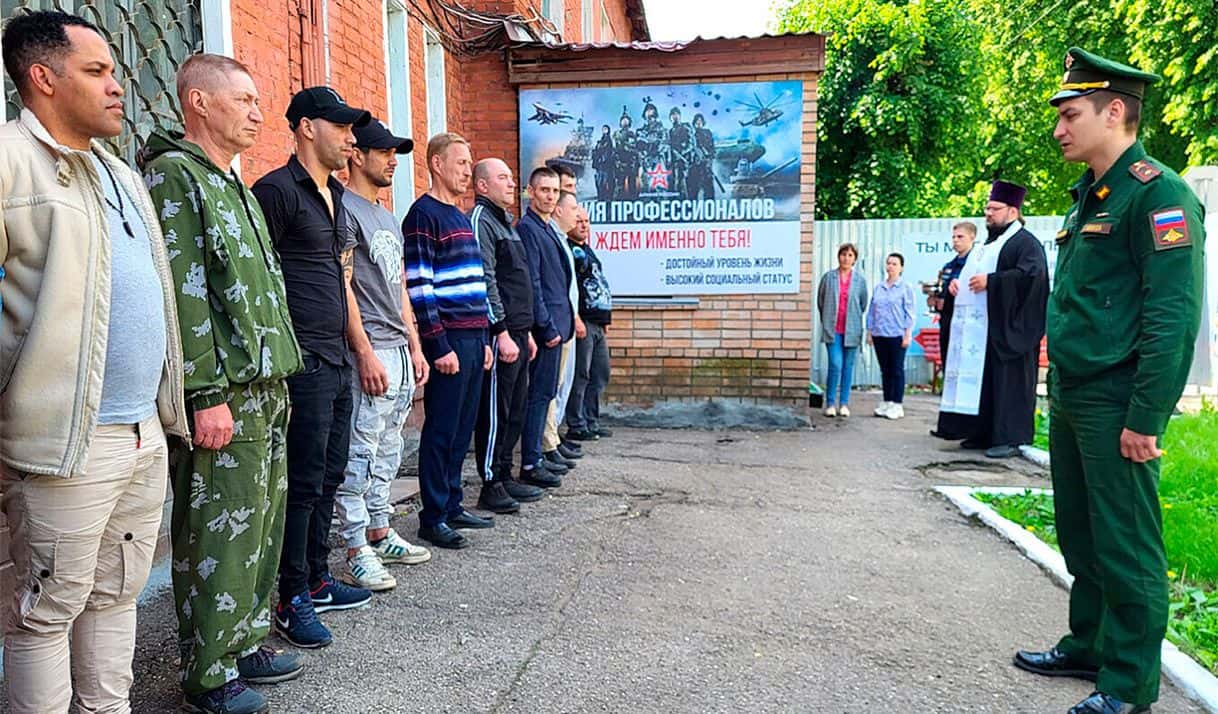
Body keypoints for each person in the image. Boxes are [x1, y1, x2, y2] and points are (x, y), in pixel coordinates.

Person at [0, 11, 189, 712]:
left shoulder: (117, 170)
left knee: (116, 596)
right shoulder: (10, 163)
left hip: (141, 431)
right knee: (45, 613)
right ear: (42, 79)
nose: (118, 88)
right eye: (96, 71)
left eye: (114, 70)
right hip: (63, 444)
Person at [1013, 48, 1206, 714]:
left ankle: (1127, 684)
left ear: (1114, 111)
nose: (1059, 129)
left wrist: (1147, 416)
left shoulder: (1159, 194)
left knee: (1125, 543)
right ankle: (1089, 644)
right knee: (1082, 533)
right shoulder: (1094, 195)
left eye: (1070, 115)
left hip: (1117, 400)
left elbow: (1172, 316)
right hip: (1073, 391)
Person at [141, 53, 304, 713]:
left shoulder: (230, 182)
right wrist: (203, 393)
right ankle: (208, 671)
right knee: (218, 531)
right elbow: (184, 299)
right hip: (225, 392)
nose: (259, 113)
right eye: (243, 99)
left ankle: (245, 640)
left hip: (267, 385)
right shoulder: (177, 177)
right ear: (199, 103)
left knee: (262, 525)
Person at [252, 86, 374, 649]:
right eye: (341, 126)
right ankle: (289, 595)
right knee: (300, 483)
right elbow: (258, 282)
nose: (352, 138)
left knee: (329, 473)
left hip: (337, 356)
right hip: (300, 361)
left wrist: (360, 347)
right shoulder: (275, 192)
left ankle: (318, 577)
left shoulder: (337, 197)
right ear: (306, 127)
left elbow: (343, 280)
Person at [333, 118, 433, 592]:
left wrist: (415, 344)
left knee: (389, 449)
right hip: (369, 351)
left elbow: (400, 289)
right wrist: (365, 350)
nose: (393, 161)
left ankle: (380, 528)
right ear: (357, 155)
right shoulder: (344, 210)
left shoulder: (386, 215)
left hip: (397, 347)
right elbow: (345, 286)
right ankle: (355, 547)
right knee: (360, 450)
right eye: (384, 152)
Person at [402, 132, 494, 550]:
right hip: (450, 337)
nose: (467, 172)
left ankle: (454, 503)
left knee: (462, 427)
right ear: (436, 164)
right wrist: (438, 345)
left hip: (475, 335)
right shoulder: (423, 215)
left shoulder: (460, 216)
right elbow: (419, 285)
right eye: (460, 163)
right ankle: (433, 515)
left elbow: (475, 284)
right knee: (441, 428)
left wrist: (487, 337)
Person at [471, 158, 546, 514]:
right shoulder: (481, 221)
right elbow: (486, 280)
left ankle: (505, 471)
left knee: (516, 409)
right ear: (482, 186)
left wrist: (526, 332)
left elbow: (519, 283)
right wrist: (499, 331)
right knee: (496, 411)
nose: (510, 183)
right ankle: (490, 482)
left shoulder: (507, 223)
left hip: (519, 332)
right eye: (502, 177)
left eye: (511, 177)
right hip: (500, 334)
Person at [957, 181, 1049, 458]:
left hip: (1014, 330)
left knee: (1010, 384)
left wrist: (992, 282)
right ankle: (984, 432)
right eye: (986, 208)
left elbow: (1031, 278)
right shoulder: (992, 243)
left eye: (994, 209)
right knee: (987, 382)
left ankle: (1010, 438)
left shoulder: (1025, 243)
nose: (988, 214)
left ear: (1012, 211)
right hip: (988, 327)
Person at [518, 168, 574, 487]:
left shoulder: (548, 227)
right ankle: (530, 461)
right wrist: (546, 326)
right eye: (544, 190)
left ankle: (538, 456)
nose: (550, 196)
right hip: (547, 329)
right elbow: (533, 284)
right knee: (538, 396)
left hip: (560, 326)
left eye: (554, 191)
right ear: (530, 191)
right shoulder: (528, 229)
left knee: (547, 393)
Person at [541, 189, 586, 469]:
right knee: (549, 388)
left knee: (560, 386)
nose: (578, 214)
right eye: (573, 208)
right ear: (558, 210)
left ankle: (552, 439)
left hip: (565, 324)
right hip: (555, 326)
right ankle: (546, 445)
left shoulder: (562, 241)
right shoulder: (549, 237)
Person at [565, 207, 614, 440]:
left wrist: (605, 319)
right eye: (579, 221)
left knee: (600, 373)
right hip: (582, 322)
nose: (584, 225)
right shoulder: (570, 251)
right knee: (581, 375)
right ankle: (577, 424)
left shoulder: (587, 250)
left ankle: (592, 421)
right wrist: (576, 319)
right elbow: (569, 289)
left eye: (587, 221)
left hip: (597, 324)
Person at [931, 222, 978, 441]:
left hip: (970, 325)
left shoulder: (976, 262)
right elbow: (942, 294)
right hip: (949, 321)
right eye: (954, 237)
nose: (955, 241)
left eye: (960, 237)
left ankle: (965, 426)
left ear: (972, 238)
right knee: (949, 369)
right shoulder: (949, 266)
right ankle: (947, 423)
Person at [816, 243, 869, 418]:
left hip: (852, 330)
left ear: (854, 259)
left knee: (847, 367)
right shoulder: (828, 278)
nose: (846, 258)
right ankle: (830, 403)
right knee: (835, 364)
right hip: (833, 330)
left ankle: (844, 403)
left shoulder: (860, 281)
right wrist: (827, 319)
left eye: (850, 255)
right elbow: (821, 302)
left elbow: (862, 304)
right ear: (838, 256)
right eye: (843, 254)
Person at [866, 253, 916, 419]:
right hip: (880, 333)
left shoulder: (905, 288)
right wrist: (870, 331)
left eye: (894, 264)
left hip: (897, 334)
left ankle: (897, 403)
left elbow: (909, 312)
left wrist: (907, 334)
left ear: (901, 267)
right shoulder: (879, 288)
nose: (890, 267)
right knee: (885, 369)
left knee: (896, 369)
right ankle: (887, 401)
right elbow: (872, 311)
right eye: (888, 263)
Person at [688, 113, 716, 200]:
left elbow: (712, 149)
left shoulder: (708, 133)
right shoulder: (691, 135)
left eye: (700, 121)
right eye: (697, 121)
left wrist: (709, 160)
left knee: (709, 190)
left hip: (706, 166)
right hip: (695, 167)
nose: (698, 123)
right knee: (693, 190)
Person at [667, 107, 693, 197]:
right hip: (674, 162)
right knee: (673, 184)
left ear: (680, 116)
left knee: (684, 184)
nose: (675, 116)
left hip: (684, 161)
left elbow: (691, 144)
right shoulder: (670, 132)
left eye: (677, 114)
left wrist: (682, 153)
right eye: (673, 114)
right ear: (670, 117)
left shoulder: (685, 127)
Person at [613, 109, 639, 198]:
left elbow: (634, 147)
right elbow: (614, 148)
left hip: (630, 161)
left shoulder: (632, 134)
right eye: (623, 120)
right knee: (620, 182)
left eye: (626, 120)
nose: (624, 122)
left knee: (632, 183)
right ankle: (619, 199)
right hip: (620, 161)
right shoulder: (616, 134)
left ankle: (633, 198)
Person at [592, 125, 615, 201]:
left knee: (606, 181)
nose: (604, 131)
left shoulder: (609, 141)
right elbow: (597, 151)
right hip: (600, 165)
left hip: (607, 165)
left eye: (606, 129)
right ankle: (601, 196)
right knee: (599, 181)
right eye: (603, 129)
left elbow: (609, 151)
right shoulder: (600, 141)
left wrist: (604, 159)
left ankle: (607, 196)